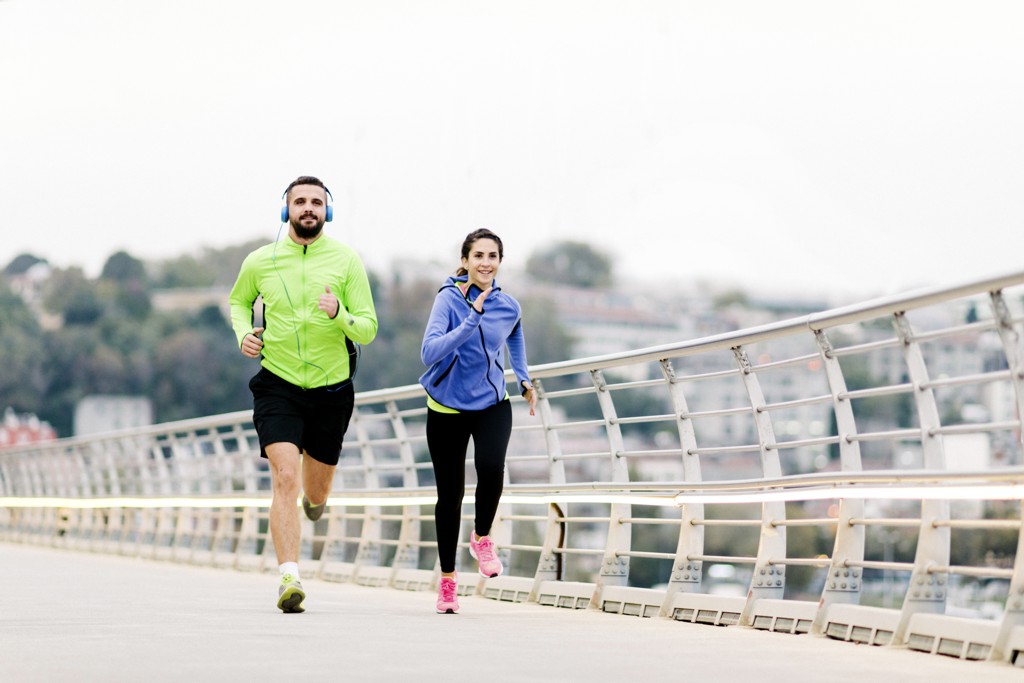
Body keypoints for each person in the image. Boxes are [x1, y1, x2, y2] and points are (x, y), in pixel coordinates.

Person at [229, 175, 377, 613]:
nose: (308, 208)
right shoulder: (261, 260)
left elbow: (368, 327)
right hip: (278, 385)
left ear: (327, 211)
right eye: (300, 202)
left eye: (316, 202)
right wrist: (243, 334)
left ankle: (316, 504)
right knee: (285, 477)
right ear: (286, 210)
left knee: (316, 489)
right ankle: (289, 576)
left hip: (332, 389)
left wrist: (341, 315)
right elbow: (239, 303)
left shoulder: (346, 260)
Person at [419, 228, 538, 614]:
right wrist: (471, 317)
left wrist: (522, 378)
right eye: (479, 256)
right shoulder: (448, 300)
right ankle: (448, 583)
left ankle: (482, 536)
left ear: (500, 262)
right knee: (449, 497)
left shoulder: (509, 305)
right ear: (465, 260)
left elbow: (514, 336)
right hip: (446, 407)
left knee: (491, 468)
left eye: (493, 256)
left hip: (491, 402)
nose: (486, 263)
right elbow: (429, 352)